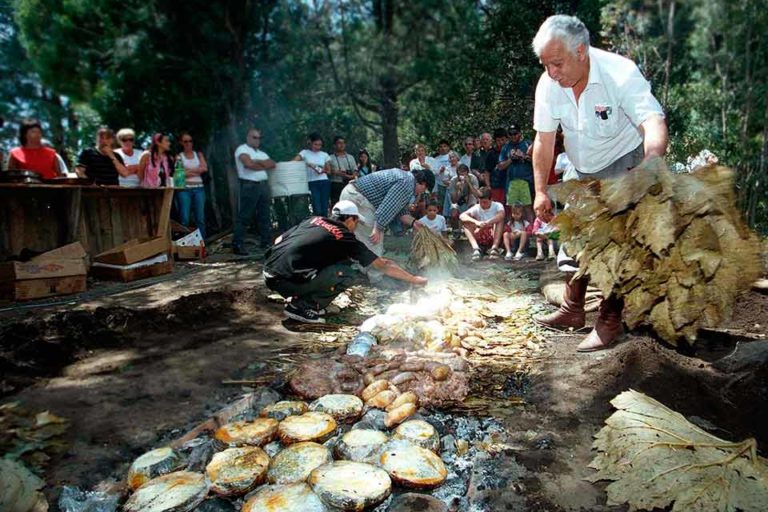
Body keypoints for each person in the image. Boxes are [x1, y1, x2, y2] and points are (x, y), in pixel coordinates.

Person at [530, 15, 668, 352]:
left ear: (581, 51)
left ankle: (608, 321)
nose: (552, 73)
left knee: (614, 245)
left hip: (624, 162)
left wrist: (651, 160)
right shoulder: (548, 84)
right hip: (582, 166)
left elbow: (652, 120)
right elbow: (544, 141)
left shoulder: (619, 72)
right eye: (546, 64)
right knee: (573, 237)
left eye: (557, 63)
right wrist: (540, 190)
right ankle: (572, 309)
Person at [264, 200, 427, 323]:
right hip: (285, 281)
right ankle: (303, 307)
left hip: (269, 273)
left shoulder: (314, 220)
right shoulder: (344, 237)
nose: (356, 227)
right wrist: (414, 279)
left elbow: (279, 240)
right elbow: (383, 265)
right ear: (350, 219)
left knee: (336, 262)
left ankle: (303, 296)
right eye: (356, 222)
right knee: (347, 273)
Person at [339, 168, 435, 257]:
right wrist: (377, 228)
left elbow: (400, 211)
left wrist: (414, 222)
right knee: (373, 242)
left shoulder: (407, 179)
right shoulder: (407, 183)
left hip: (353, 194)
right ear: (423, 183)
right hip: (357, 197)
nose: (421, 192)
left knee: (359, 238)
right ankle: (371, 269)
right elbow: (388, 206)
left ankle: (357, 263)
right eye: (424, 190)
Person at [233, 128, 277, 255]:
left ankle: (266, 242)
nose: (257, 140)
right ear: (248, 137)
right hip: (249, 185)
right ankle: (237, 244)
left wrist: (257, 162)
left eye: (259, 138)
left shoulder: (261, 153)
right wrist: (262, 165)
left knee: (265, 215)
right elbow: (248, 164)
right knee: (245, 216)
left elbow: (272, 164)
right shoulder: (242, 149)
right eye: (254, 137)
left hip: (263, 185)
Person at [498, 124, 534, 221]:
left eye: (515, 133)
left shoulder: (528, 144)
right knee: (511, 209)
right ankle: (511, 228)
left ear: (520, 133)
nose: (513, 136)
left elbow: (537, 162)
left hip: (527, 182)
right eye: (510, 134)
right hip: (511, 182)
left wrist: (524, 156)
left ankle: (530, 229)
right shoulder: (506, 147)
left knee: (528, 208)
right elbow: (500, 166)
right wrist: (511, 159)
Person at [176, 131, 209, 238]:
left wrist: (187, 171)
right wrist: (196, 170)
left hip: (199, 189)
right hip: (184, 190)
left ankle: (202, 242)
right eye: (185, 141)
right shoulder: (179, 156)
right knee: (184, 218)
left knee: (200, 218)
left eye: (190, 141)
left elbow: (204, 168)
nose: (188, 143)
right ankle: (185, 243)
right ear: (181, 143)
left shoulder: (198, 155)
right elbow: (179, 175)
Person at [460, 187, 506, 261]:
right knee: (466, 224)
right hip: (480, 233)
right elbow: (462, 216)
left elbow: (501, 215)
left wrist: (487, 223)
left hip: (493, 233)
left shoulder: (498, 205)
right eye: (480, 202)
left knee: (500, 221)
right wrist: (476, 222)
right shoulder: (476, 207)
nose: (482, 204)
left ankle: (495, 248)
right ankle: (476, 249)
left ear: (491, 199)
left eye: (485, 202)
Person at [294, 133, 331, 216]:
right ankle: (317, 222)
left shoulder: (324, 154)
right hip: (312, 182)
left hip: (324, 181)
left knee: (324, 206)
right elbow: (293, 162)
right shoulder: (304, 153)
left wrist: (320, 169)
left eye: (320, 145)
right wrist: (305, 164)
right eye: (315, 144)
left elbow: (329, 171)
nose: (318, 147)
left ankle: (325, 222)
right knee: (317, 207)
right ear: (310, 143)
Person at [445, 163, 481, 238]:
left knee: (473, 208)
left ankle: (472, 232)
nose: (461, 176)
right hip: (458, 200)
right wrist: (458, 190)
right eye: (460, 174)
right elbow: (454, 200)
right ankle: (456, 232)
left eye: (463, 174)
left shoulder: (473, 178)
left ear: (467, 173)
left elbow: (476, 195)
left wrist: (469, 183)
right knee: (453, 212)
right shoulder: (453, 180)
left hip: (470, 197)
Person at [329, 135, 357, 205]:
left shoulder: (350, 157)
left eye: (343, 143)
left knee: (350, 203)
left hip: (349, 184)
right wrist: (336, 172)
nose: (342, 145)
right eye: (339, 143)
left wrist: (349, 176)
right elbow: (327, 171)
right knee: (336, 204)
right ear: (334, 145)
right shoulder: (330, 158)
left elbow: (355, 171)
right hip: (336, 184)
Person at [485, 128, 508, 205]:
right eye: (498, 140)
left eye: (503, 140)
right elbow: (487, 171)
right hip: (496, 185)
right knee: (497, 207)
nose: (501, 142)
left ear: (506, 139)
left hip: (509, 184)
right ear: (495, 141)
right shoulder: (491, 153)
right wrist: (488, 186)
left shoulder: (511, 151)